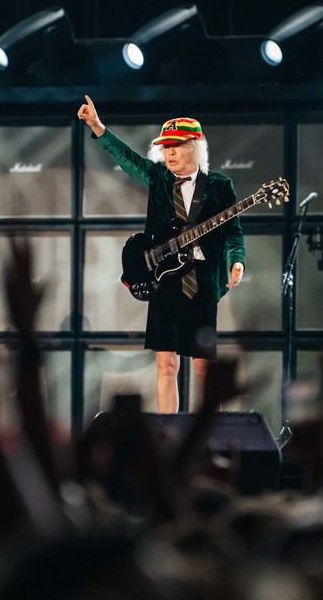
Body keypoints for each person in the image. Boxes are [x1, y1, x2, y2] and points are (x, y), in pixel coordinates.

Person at [77, 95, 245, 414]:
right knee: (166, 365)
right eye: (165, 146)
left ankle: (209, 432)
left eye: (176, 146)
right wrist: (98, 127)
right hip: (165, 281)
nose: (169, 152)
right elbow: (126, 158)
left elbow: (233, 230)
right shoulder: (158, 178)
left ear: (195, 146)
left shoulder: (220, 186)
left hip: (201, 282)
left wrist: (236, 260)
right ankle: (167, 430)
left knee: (202, 366)